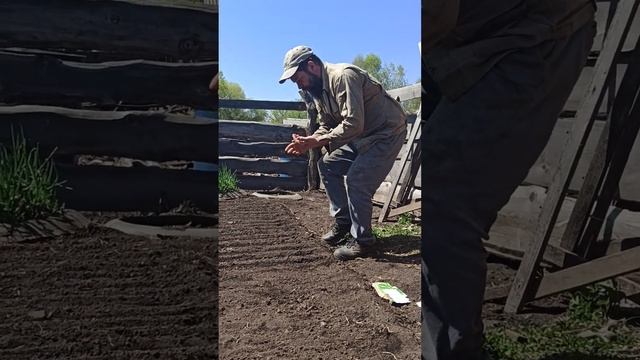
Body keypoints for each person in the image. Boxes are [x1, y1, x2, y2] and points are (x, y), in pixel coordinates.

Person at [421, 0, 596, 359]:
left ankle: (455, 353)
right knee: (440, 198)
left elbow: (432, 14)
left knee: (447, 200)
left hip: (531, 30)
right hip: (467, 36)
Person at [279, 45, 407, 261]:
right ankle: (344, 222)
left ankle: (363, 242)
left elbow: (353, 123)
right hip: (363, 135)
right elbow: (327, 123)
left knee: (357, 180)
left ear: (311, 66)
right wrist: (310, 140)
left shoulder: (343, 76)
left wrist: (318, 140)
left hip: (387, 132)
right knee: (327, 166)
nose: (297, 84)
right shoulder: (317, 91)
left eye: (298, 78)